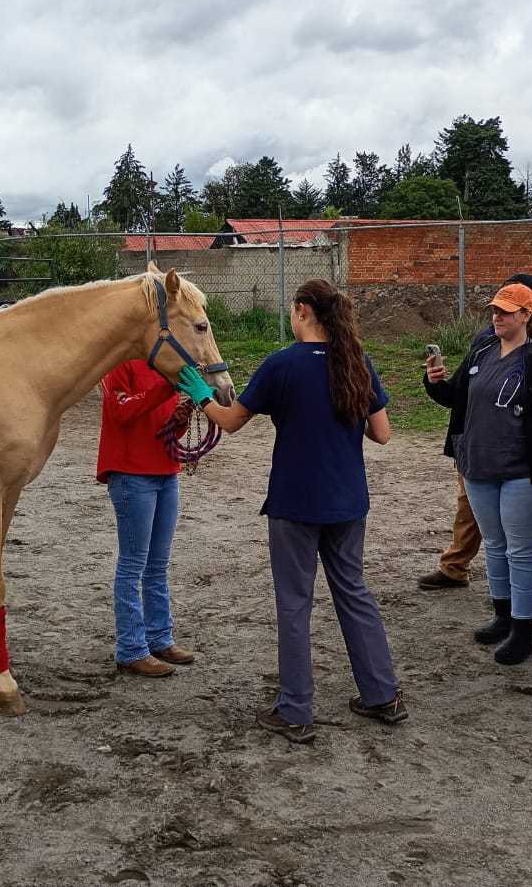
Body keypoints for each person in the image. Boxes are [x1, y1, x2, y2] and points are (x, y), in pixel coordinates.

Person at [176, 279, 404, 744]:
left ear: (302, 311)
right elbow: (383, 434)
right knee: (355, 593)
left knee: (295, 604)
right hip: (347, 502)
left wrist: (200, 391)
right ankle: (382, 694)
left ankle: (296, 709)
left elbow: (231, 422)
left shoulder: (281, 365)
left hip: (295, 503)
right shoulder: (357, 361)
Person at [424, 282, 532, 663]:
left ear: (527, 314)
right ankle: (502, 616)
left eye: (506, 311)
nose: (497, 317)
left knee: (522, 550)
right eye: (494, 310)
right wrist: (434, 381)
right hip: (478, 465)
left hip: (523, 471)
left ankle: (524, 630)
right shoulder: (483, 350)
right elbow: (456, 397)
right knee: (494, 545)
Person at [96, 359, 196, 677]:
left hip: (164, 471)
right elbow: (121, 411)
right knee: (133, 565)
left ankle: (158, 638)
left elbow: (161, 424)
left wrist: (179, 420)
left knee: (156, 565)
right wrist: (166, 387)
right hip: (132, 474)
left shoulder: (161, 367)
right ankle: (132, 649)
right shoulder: (120, 366)